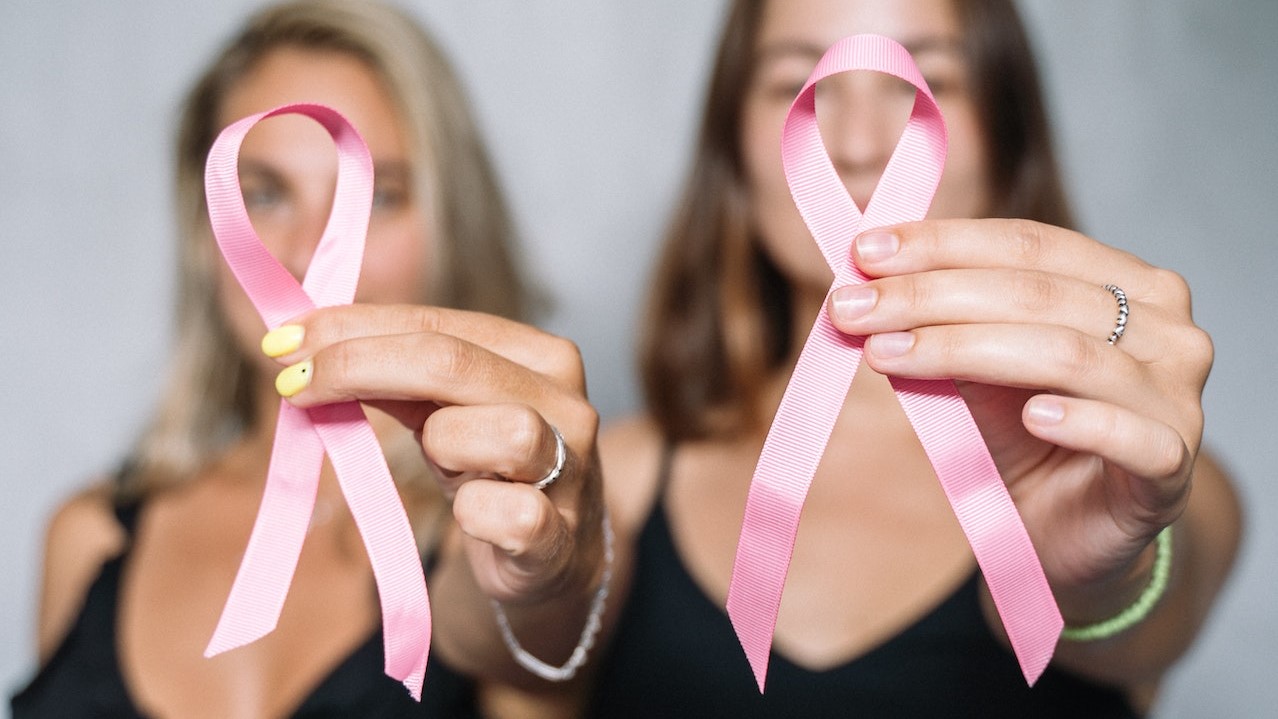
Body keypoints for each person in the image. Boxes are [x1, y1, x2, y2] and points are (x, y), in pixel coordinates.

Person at [578, 0, 1243, 716]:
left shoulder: (1147, 470)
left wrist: (1097, 576)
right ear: (733, 151)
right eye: (798, 85)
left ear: (1008, 136)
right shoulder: (608, 479)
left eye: (927, 82)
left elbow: (1157, 614)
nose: (862, 146)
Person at [10, 1, 604, 716]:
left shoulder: (517, 521)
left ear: (453, 218)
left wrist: (537, 581)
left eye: (376, 196)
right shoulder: (88, 537)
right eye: (263, 194)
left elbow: (526, 634)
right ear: (204, 231)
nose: (309, 256)